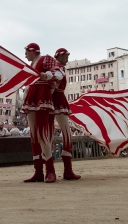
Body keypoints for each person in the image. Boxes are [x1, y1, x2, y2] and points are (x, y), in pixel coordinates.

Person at [21, 42, 60, 183]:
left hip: (42, 95)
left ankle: (50, 170)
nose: (25, 55)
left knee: (42, 133)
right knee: (33, 134)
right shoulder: (31, 65)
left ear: (33, 51)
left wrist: (47, 76)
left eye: (26, 52)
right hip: (32, 95)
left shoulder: (45, 59)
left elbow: (58, 73)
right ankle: (38, 171)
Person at [50, 47, 81, 180]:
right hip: (59, 100)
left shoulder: (52, 67)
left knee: (48, 134)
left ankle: (49, 171)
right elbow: (54, 83)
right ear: (59, 56)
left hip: (50, 100)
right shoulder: (59, 68)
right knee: (66, 134)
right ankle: (67, 170)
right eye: (65, 56)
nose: (67, 58)